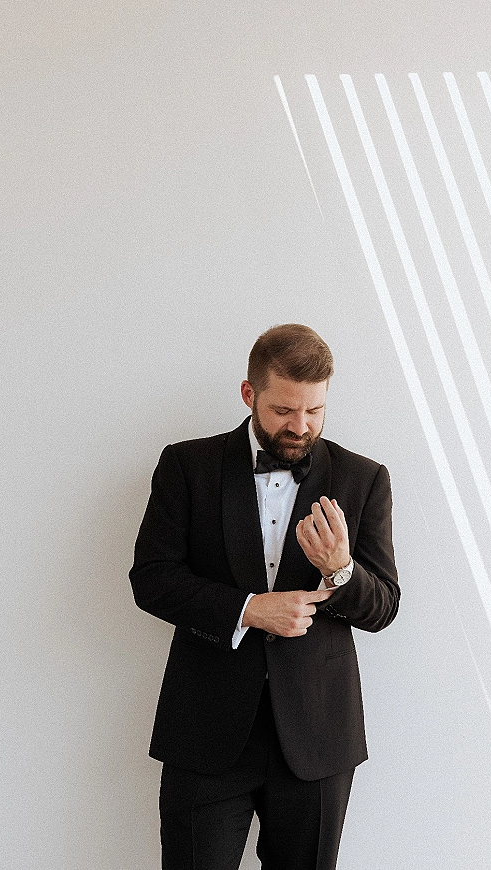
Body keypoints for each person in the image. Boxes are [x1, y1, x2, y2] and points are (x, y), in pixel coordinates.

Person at [130, 323, 399, 870]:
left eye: (315, 411)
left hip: (317, 738)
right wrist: (249, 609)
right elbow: (151, 578)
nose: (301, 426)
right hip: (206, 731)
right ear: (250, 394)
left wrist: (341, 570)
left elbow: (384, 606)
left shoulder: (363, 478)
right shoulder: (187, 466)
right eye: (284, 410)